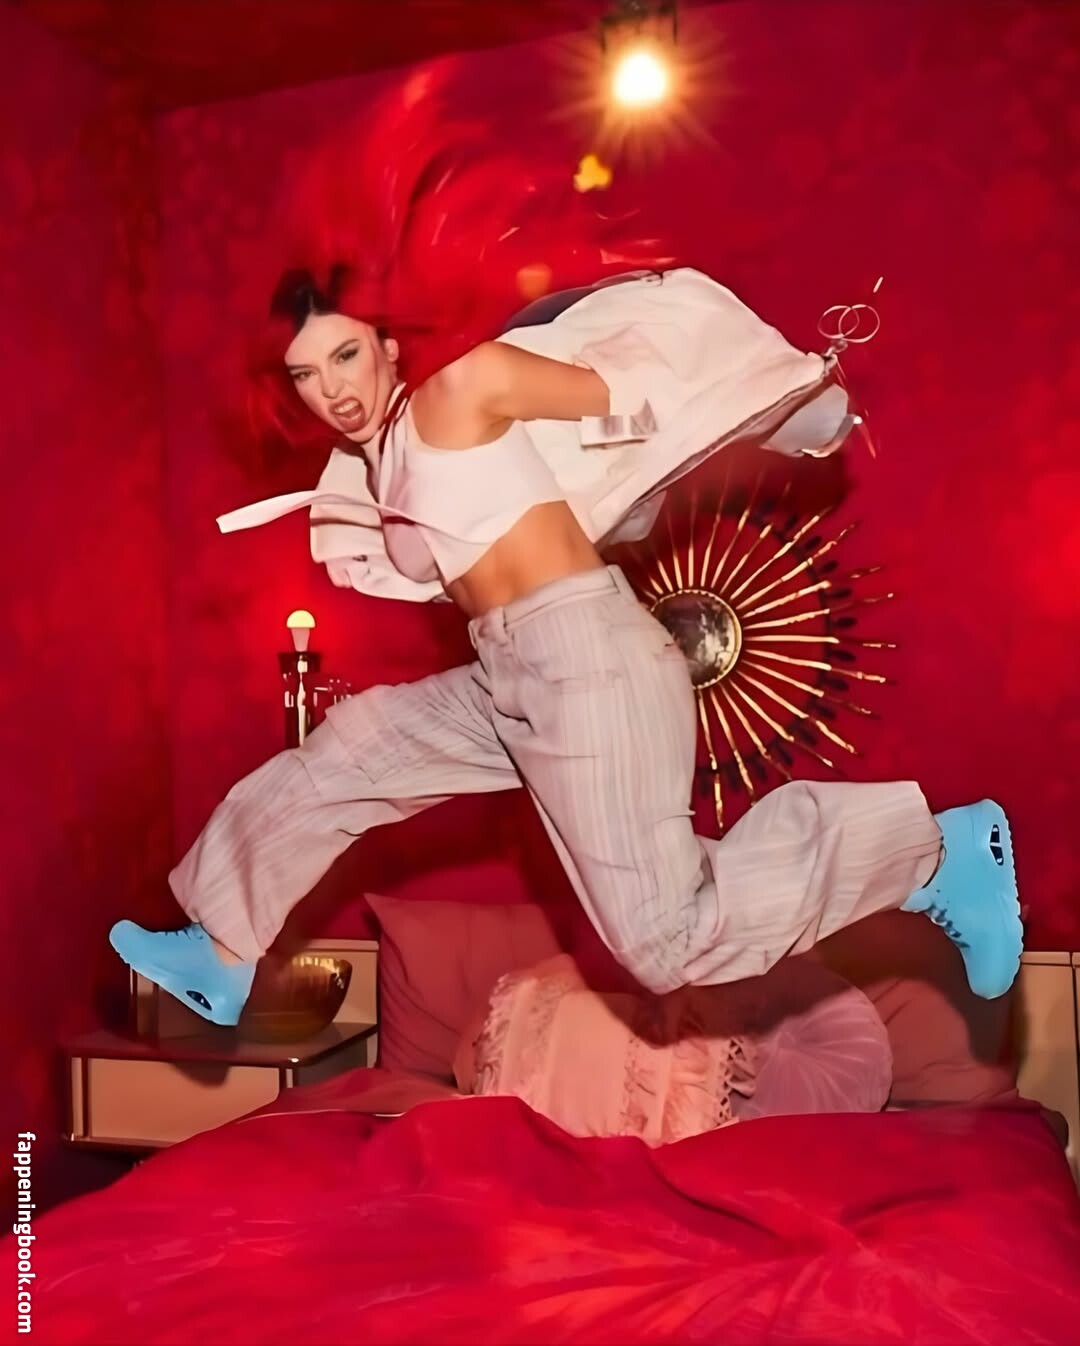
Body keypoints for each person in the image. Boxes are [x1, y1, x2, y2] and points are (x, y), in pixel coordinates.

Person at [109, 83, 1022, 1026]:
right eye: (305, 373)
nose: (331, 388)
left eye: (345, 356)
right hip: (511, 669)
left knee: (667, 941)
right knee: (348, 755)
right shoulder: (379, 462)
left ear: (386, 343)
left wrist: (687, 436)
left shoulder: (458, 388)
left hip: (584, 655)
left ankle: (937, 850)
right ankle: (222, 950)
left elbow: (616, 395)